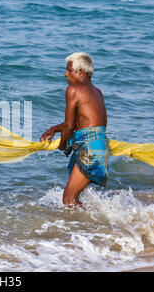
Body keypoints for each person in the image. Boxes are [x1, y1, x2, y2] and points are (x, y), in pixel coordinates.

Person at [40, 52, 109, 209]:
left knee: (68, 199)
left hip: (88, 148)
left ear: (80, 72)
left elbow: (70, 126)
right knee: (73, 198)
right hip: (99, 147)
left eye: (69, 70)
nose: (65, 74)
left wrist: (62, 144)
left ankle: (87, 229)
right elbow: (87, 122)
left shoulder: (73, 89)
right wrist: (54, 129)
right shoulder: (97, 92)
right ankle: (90, 228)